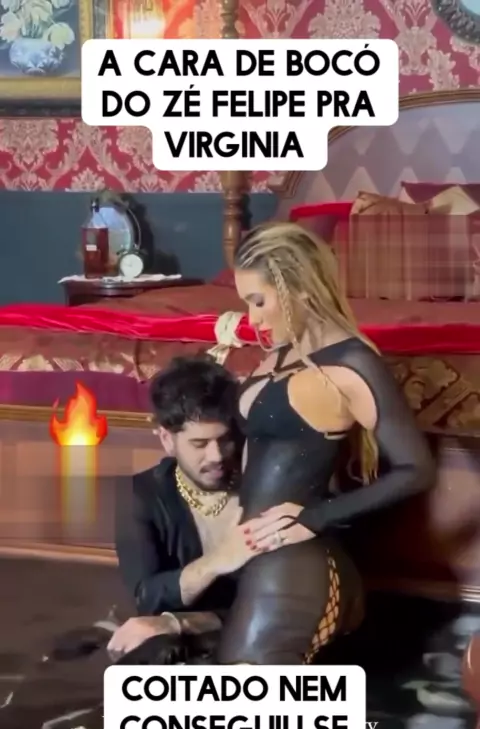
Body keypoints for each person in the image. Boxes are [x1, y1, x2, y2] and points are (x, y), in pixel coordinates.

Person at [214, 221, 436, 665]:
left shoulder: (352, 362)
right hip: (251, 554)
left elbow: (417, 470)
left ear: (298, 288)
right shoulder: (281, 351)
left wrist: (315, 517)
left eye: (259, 301)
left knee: (241, 694)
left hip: (297, 562)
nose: (253, 319)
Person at [108, 355, 257, 660]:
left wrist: (181, 622)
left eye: (225, 440)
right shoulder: (141, 494)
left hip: (260, 639)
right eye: (199, 444)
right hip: (187, 645)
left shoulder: (261, 487)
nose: (217, 456)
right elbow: (148, 597)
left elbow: (279, 604)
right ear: (167, 439)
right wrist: (216, 562)